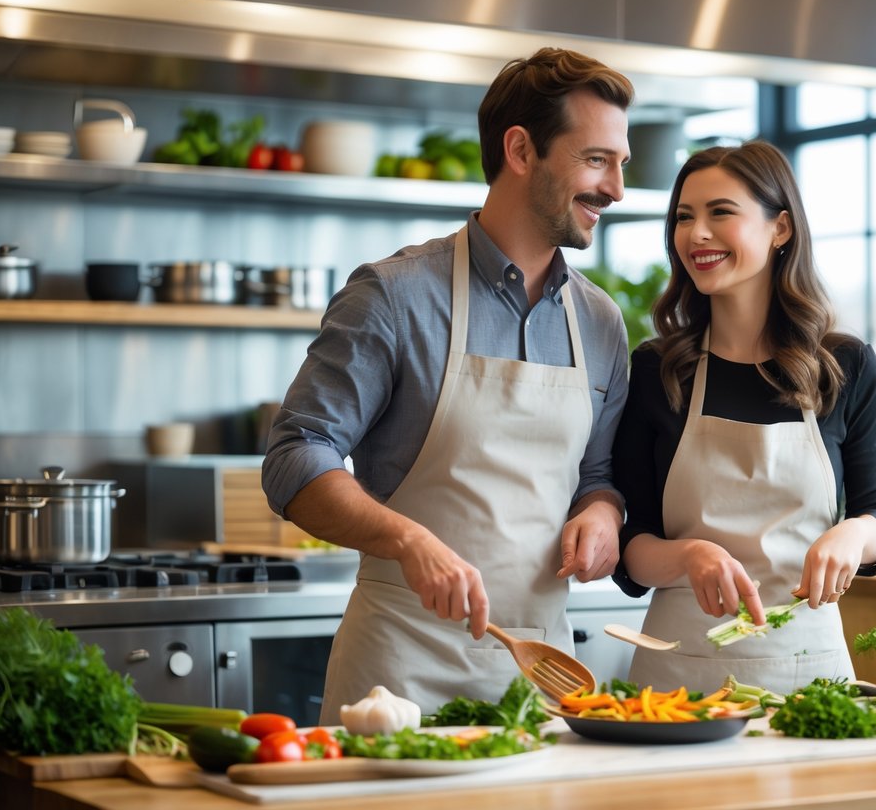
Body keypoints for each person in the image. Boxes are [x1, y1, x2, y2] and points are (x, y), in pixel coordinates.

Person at [261, 47, 634, 718]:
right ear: (520, 151)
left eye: (620, 163)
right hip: (399, 674)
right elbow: (295, 458)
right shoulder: (395, 296)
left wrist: (602, 514)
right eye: (595, 160)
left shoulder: (600, 322)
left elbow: (596, 473)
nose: (615, 189)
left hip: (542, 678)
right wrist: (407, 540)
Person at [611, 141, 876, 695]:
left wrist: (853, 534)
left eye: (720, 212)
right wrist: (688, 555)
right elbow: (634, 548)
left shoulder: (845, 365)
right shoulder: (658, 369)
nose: (696, 233)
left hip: (810, 675)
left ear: (781, 229)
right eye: (683, 218)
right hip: (678, 681)